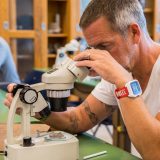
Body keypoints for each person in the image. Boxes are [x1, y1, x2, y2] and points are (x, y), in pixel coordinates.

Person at [4, 0, 160, 159]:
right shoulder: (119, 71)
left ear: (134, 32)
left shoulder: (120, 75)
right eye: (93, 48)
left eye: (104, 46)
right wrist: (38, 109)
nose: (99, 56)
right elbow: (78, 119)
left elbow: (155, 152)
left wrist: (123, 83)